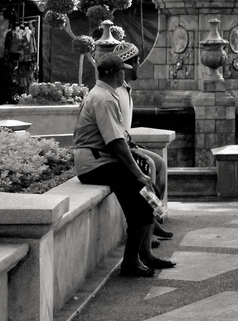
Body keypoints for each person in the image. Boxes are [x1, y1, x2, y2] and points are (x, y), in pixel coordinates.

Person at [72, 41, 172, 277]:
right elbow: (115, 142)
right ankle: (131, 262)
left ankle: (142, 256)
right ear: (118, 73)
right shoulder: (105, 99)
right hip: (95, 164)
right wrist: (138, 174)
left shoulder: (102, 93)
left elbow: (118, 139)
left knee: (145, 198)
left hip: (99, 161)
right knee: (141, 199)